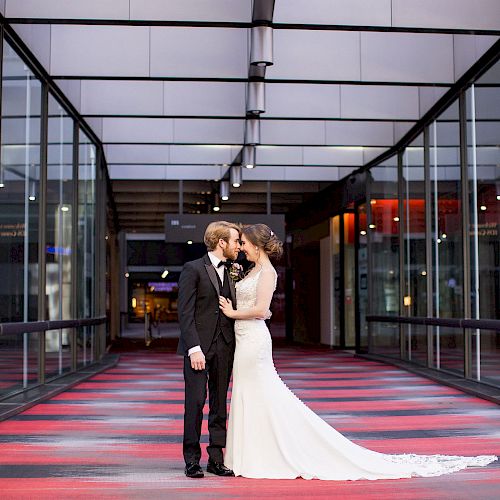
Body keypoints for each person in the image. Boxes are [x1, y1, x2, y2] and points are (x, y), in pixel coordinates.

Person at [219, 223, 497, 480]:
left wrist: (232, 312)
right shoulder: (250, 270)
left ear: (256, 245)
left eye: (243, 242)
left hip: (254, 341)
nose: (240, 247)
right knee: (248, 393)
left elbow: (260, 310)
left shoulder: (267, 273)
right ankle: (251, 454)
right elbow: (262, 310)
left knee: (261, 392)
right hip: (244, 338)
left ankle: (265, 455)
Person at [177, 221, 241, 479]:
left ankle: (216, 458)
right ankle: (192, 460)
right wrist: (194, 348)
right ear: (221, 242)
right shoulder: (192, 269)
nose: (238, 246)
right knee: (194, 403)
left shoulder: (235, 270)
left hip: (225, 346)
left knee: (219, 405)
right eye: (235, 241)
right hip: (198, 349)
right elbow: (185, 312)